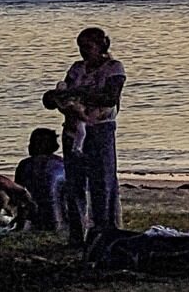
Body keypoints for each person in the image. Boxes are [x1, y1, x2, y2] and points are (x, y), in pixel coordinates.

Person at [45, 26, 126, 244]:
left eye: (87, 47)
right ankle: (77, 234)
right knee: (75, 183)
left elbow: (109, 97)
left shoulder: (113, 68)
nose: (83, 52)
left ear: (101, 46)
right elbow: (61, 95)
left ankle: (104, 232)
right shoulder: (77, 69)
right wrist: (58, 97)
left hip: (100, 128)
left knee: (103, 182)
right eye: (81, 47)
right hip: (74, 128)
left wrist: (75, 93)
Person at [13, 127, 68, 234]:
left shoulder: (24, 165)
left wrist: (20, 223)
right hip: (59, 222)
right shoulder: (62, 164)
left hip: (32, 221)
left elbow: (18, 197)